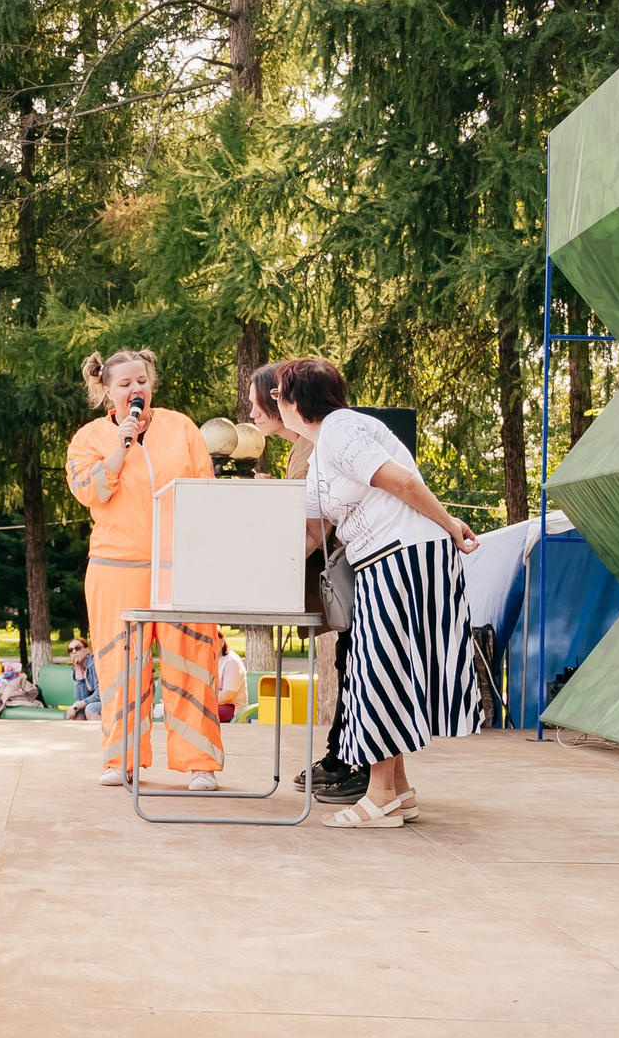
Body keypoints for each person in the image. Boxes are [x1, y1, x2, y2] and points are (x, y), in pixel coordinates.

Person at [270, 359, 490, 828]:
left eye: (277, 395)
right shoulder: (320, 450)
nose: (274, 404)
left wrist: (451, 525)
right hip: (384, 559)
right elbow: (312, 532)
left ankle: (380, 797)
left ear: (295, 400)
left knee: (378, 674)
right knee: (382, 672)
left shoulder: (339, 430)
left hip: (403, 555)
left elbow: (404, 482)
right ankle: (399, 792)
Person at [65, 349, 226, 790]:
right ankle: (122, 759)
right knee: (121, 667)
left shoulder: (181, 427)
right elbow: (90, 491)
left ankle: (199, 764)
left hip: (180, 568)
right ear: (106, 390)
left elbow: (204, 491)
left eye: (142, 381)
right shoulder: (89, 438)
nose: (136, 390)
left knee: (192, 663)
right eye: (125, 384)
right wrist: (121, 447)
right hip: (116, 569)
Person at [249, 362, 366, 803]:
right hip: (353, 569)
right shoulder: (306, 447)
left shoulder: (319, 443)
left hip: (357, 570)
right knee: (349, 664)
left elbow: (312, 521)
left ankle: (353, 763)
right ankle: (343, 756)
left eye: (263, 398)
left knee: (356, 668)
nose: (255, 409)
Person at [65, 636, 100, 722]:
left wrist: (76, 706)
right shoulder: (76, 669)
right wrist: (78, 670)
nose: (74, 652)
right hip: (93, 701)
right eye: (70, 650)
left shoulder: (95, 664)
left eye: (77, 648)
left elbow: (99, 694)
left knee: (90, 708)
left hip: (109, 700)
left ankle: (102, 734)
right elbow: (80, 697)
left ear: (87, 650)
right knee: (73, 714)